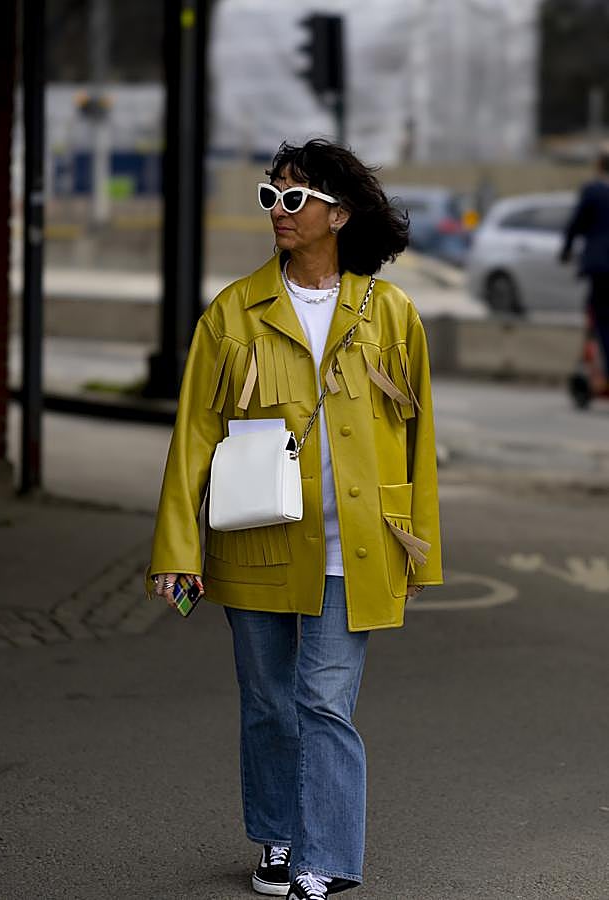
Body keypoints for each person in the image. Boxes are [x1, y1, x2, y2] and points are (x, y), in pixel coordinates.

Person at [146, 139, 443, 899]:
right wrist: (178, 547)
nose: (278, 211)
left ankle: (328, 857)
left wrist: (420, 554)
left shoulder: (392, 314)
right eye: (270, 195)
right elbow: (194, 438)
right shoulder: (232, 313)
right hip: (256, 540)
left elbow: (418, 444)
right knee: (270, 703)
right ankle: (279, 837)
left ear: (338, 214)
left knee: (322, 700)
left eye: (295, 197)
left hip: (361, 545)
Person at [561, 147, 609, 388]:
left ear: (599, 165)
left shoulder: (594, 190)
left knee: (600, 317)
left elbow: (577, 223)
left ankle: (602, 371)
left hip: (601, 265)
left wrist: (566, 250)